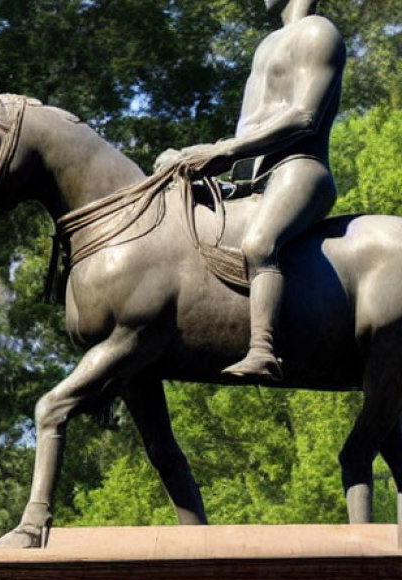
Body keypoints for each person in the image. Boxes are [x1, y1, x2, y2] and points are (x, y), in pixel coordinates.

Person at [158, 0, 346, 381]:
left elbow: (304, 117)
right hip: (247, 179)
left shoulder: (317, 32)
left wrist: (223, 151)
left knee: (260, 244)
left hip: (297, 170)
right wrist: (196, 158)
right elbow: (248, 129)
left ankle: (263, 350)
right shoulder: (267, 44)